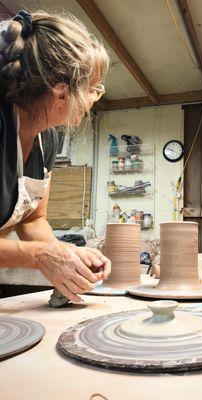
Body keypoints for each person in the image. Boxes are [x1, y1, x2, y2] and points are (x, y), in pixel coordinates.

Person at [0, 10, 111, 303]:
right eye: (93, 89)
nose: (94, 99)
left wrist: (68, 256)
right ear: (61, 92)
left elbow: (33, 220)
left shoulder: (47, 136)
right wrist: (42, 255)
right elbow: (38, 252)